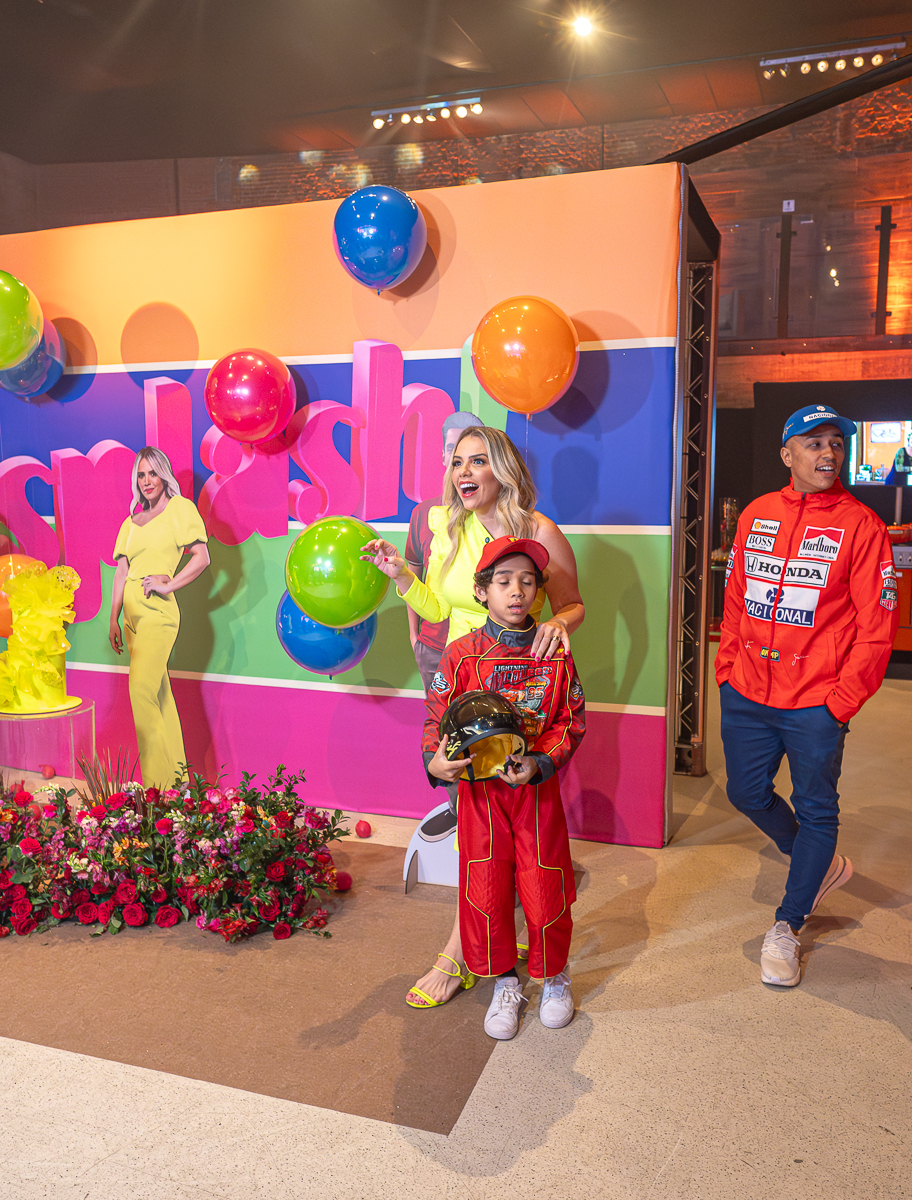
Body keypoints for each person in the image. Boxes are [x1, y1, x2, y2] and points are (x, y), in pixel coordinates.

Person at [361, 425, 585, 1007]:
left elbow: (571, 604)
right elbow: (439, 606)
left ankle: (476, 954)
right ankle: (489, 956)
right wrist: (401, 576)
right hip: (462, 680)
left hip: (525, 686)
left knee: (530, 837)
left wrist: (556, 625)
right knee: (479, 835)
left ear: (501, 470)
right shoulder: (451, 529)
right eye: (457, 461)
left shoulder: (537, 531)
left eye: (478, 460)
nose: (463, 472)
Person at [716, 405, 899, 987]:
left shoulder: (862, 525)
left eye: (836, 444)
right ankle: (818, 863)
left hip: (818, 701)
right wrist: (726, 668)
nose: (828, 453)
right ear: (787, 454)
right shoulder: (756, 513)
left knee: (818, 809)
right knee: (746, 792)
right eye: (814, 442)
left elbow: (877, 627)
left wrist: (840, 703)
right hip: (746, 690)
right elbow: (736, 596)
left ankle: (789, 923)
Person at [423, 536, 585, 1039]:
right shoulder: (461, 655)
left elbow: (570, 720)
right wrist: (436, 763)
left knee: (545, 885)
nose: (517, 591)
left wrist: (539, 762)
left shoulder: (554, 651)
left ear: (538, 593)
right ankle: (505, 983)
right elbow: (435, 719)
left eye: (528, 581)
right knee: (486, 889)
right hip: (480, 796)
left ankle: (554, 978)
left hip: (534, 795)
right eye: (504, 581)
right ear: (482, 591)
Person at [109, 447, 210, 788]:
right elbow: (121, 573)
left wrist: (170, 585)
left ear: (164, 475)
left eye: (153, 473)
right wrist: (113, 618)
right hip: (131, 620)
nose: (147, 480)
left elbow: (202, 557)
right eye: (141, 475)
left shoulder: (180, 508)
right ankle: (179, 782)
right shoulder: (131, 521)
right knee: (160, 695)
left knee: (141, 691)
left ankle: (156, 788)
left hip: (158, 613)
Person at [406, 410, 484, 693]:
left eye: (474, 458)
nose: (461, 466)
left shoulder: (494, 519)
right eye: (454, 451)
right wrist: (415, 636)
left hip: (483, 651)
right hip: (432, 647)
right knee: (439, 720)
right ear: (443, 455)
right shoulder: (425, 514)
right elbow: (414, 574)